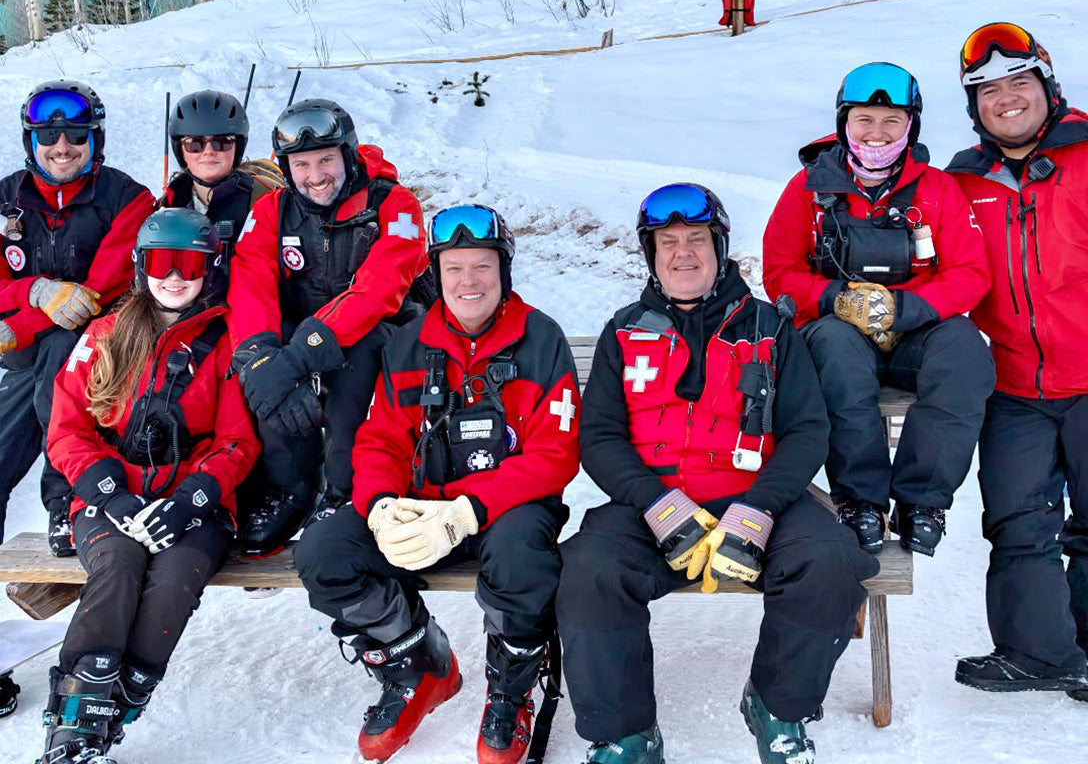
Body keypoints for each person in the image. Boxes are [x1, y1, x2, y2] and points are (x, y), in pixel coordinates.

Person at [556, 183, 877, 764]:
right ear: (651, 254)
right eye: (667, 242)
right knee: (588, 570)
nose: (683, 253)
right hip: (652, 504)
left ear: (720, 247)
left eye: (697, 240)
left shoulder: (770, 328)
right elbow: (599, 437)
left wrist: (759, 508)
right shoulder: (622, 332)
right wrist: (654, 502)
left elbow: (807, 430)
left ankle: (777, 709)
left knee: (830, 562)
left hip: (756, 500)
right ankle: (625, 735)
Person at [295, 204, 580, 764]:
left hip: (509, 509)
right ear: (437, 274)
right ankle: (415, 661)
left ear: (503, 271)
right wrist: (380, 505)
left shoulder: (541, 339)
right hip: (421, 507)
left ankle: (512, 687)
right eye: (454, 268)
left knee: (523, 558)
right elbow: (381, 439)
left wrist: (469, 511)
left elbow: (556, 454)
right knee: (325, 552)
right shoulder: (408, 344)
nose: (468, 281)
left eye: (482, 266)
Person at [39, 209, 260, 763]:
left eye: (189, 264)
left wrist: (192, 499)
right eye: (163, 263)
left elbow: (238, 441)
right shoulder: (106, 335)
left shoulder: (227, 343)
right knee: (118, 566)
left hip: (192, 504)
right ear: (142, 267)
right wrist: (108, 492)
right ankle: (73, 727)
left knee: (175, 578)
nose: (175, 277)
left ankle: (121, 701)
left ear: (210, 269)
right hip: (113, 498)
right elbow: (67, 429)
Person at [763, 63, 994, 556]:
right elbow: (780, 272)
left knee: (965, 351)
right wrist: (836, 300)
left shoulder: (937, 189)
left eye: (892, 121)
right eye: (864, 119)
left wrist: (903, 308)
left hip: (916, 332)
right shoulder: (808, 190)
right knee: (834, 350)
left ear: (911, 125)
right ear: (844, 122)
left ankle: (922, 500)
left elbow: (971, 274)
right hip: (840, 332)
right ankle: (860, 500)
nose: (877, 132)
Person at [945, 22, 1088, 697]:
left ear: (1047, 86)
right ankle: (1041, 654)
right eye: (988, 90)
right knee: (1017, 523)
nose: (1006, 98)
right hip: (1013, 386)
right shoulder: (961, 182)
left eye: (1019, 81)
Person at [228, 97, 429, 553]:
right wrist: (259, 355)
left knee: (352, 355)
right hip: (303, 334)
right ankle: (293, 487)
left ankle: (343, 490)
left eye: (325, 160)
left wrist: (300, 354)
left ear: (348, 155)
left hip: (384, 334)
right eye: (301, 165)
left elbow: (380, 290)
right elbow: (250, 281)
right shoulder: (272, 210)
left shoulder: (394, 204)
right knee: (260, 366)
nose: (315, 176)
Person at [0, 79, 154, 556]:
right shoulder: (6, 200)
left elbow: (92, 295)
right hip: (31, 359)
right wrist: (35, 290)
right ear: (31, 141)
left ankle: (65, 498)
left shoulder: (128, 199)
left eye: (77, 136)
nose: (62, 147)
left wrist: (20, 324)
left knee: (60, 346)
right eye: (47, 136)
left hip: (105, 353)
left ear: (95, 139)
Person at [159, 88, 284, 264]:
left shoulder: (266, 200)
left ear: (237, 147)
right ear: (180, 151)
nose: (209, 151)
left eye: (222, 142)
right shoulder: (170, 203)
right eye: (194, 144)